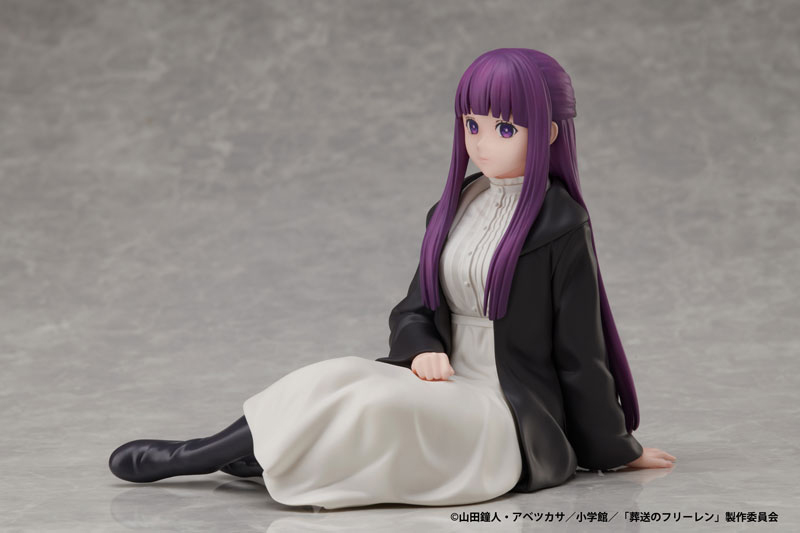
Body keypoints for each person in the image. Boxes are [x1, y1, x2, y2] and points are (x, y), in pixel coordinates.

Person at [108, 48, 676, 510]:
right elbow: (414, 307)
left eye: (503, 127)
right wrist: (423, 347)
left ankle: (230, 458)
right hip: (442, 378)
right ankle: (199, 452)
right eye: (471, 124)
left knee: (377, 409)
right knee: (334, 376)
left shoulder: (560, 225)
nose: (480, 141)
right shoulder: (458, 206)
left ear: (548, 133)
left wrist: (614, 447)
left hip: (502, 408)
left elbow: (581, 352)